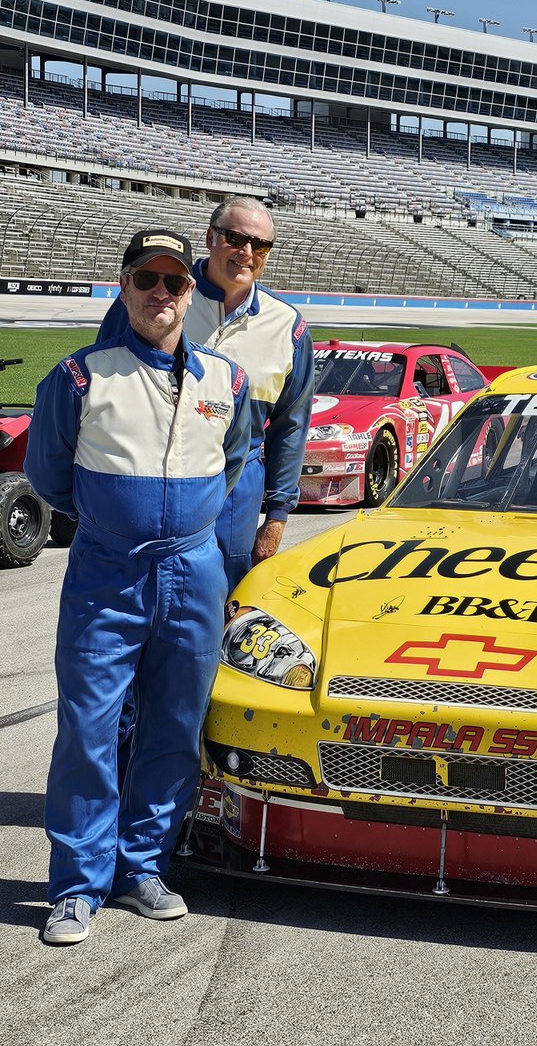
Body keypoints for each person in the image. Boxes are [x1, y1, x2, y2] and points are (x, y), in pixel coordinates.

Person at [26, 230, 250, 945]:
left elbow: (234, 462)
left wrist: (189, 524)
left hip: (194, 569)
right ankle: (77, 885)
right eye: (145, 279)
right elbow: (48, 475)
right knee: (90, 731)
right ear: (123, 287)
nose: (160, 293)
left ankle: (141, 865)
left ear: (192, 291)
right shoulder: (79, 377)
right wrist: (112, 524)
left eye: (174, 282)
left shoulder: (228, 381)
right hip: (108, 572)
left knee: (174, 729)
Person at [99, 196, 313, 593]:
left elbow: (291, 424)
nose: (246, 252)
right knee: (136, 595)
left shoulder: (289, 326)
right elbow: (102, 385)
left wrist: (278, 515)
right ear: (210, 238)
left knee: (220, 602)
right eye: (234, 238)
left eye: (260, 245)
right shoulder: (160, 297)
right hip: (148, 475)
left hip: (237, 485)